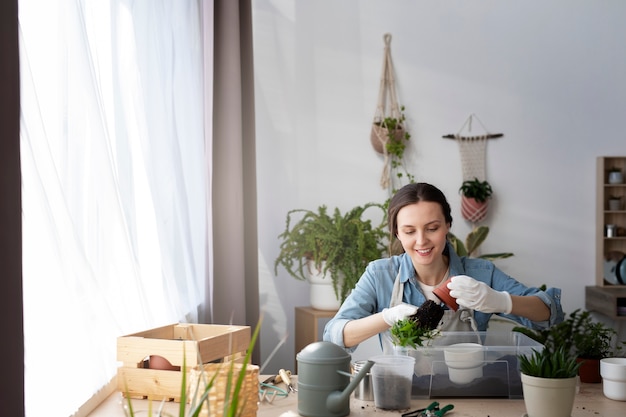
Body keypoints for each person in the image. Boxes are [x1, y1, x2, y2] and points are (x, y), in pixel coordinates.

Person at [323, 182, 563, 352]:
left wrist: (502, 301)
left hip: (468, 395)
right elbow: (335, 336)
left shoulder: (480, 273)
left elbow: (548, 313)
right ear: (397, 232)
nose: (421, 241)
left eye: (432, 228)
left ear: (448, 225)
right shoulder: (380, 275)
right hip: (401, 394)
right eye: (409, 231)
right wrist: (387, 317)